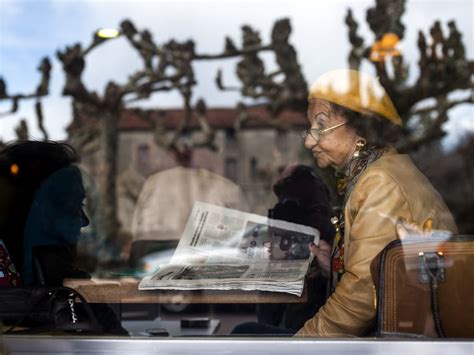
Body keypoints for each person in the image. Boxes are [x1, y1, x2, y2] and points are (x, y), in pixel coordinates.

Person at [296, 69, 458, 337]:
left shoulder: (379, 181)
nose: (308, 140)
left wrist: (298, 346)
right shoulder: (377, 172)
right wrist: (334, 265)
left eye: (321, 126)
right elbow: (375, 273)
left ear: (360, 125)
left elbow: (360, 299)